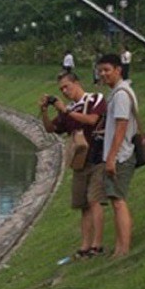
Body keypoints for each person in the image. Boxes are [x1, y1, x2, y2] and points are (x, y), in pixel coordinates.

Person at [40, 72, 107, 258]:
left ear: (76, 83)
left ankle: (97, 244)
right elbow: (50, 129)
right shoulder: (67, 110)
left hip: (97, 157)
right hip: (79, 162)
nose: (64, 91)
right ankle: (84, 246)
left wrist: (67, 111)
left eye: (66, 86)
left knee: (95, 200)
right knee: (83, 205)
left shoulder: (94, 99)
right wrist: (45, 111)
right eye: (61, 89)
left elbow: (93, 120)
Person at [97, 54, 138, 257]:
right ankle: (120, 246)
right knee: (115, 201)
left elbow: (121, 127)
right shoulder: (117, 93)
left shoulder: (121, 94)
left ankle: (123, 250)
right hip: (116, 155)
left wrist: (111, 158)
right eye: (101, 71)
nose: (103, 74)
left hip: (120, 157)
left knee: (119, 201)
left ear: (118, 70)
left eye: (107, 70)